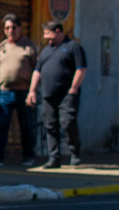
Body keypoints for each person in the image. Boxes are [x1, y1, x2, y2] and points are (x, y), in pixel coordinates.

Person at [27, 20, 86, 169]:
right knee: (50, 125)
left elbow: (81, 68)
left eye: (49, 33)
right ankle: (54, 158)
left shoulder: (73, 47)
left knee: (67, 122)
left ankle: (75, 152)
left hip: (67, 94)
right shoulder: (45, 51)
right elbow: (37, 71)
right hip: (48, 95)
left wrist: (73, 88)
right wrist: (32, 90)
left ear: (58, 31)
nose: (46, 37)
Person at [0, 13, 39, 168]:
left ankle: (28, 156)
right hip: (5, 93)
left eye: (14, 27)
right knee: (2, 125)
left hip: (23, 93)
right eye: (7, 27)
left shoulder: (28, 46)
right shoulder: (1, 47)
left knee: (26, 125)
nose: (11, 30)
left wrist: (33, 91)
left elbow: (36, 69)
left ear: (20, 28)